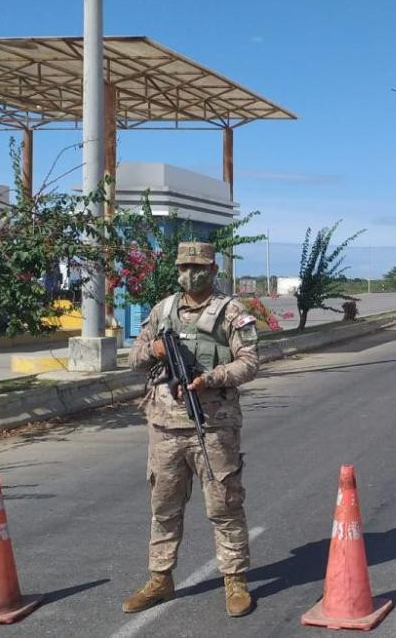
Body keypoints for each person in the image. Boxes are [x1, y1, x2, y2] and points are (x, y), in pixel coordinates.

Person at [123, 241, 261, 617]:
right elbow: (134, 358)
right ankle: (160, 579)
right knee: (163, 507)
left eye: (199, 267)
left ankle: (234, 579)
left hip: (213, 425)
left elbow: (249, 363)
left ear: (214, 271)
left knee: (224, 505)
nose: (191, 273)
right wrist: (153, 352)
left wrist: (212, 377)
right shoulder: (162, 310)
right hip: (165, 425)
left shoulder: (232, 311)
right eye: (185, 266)